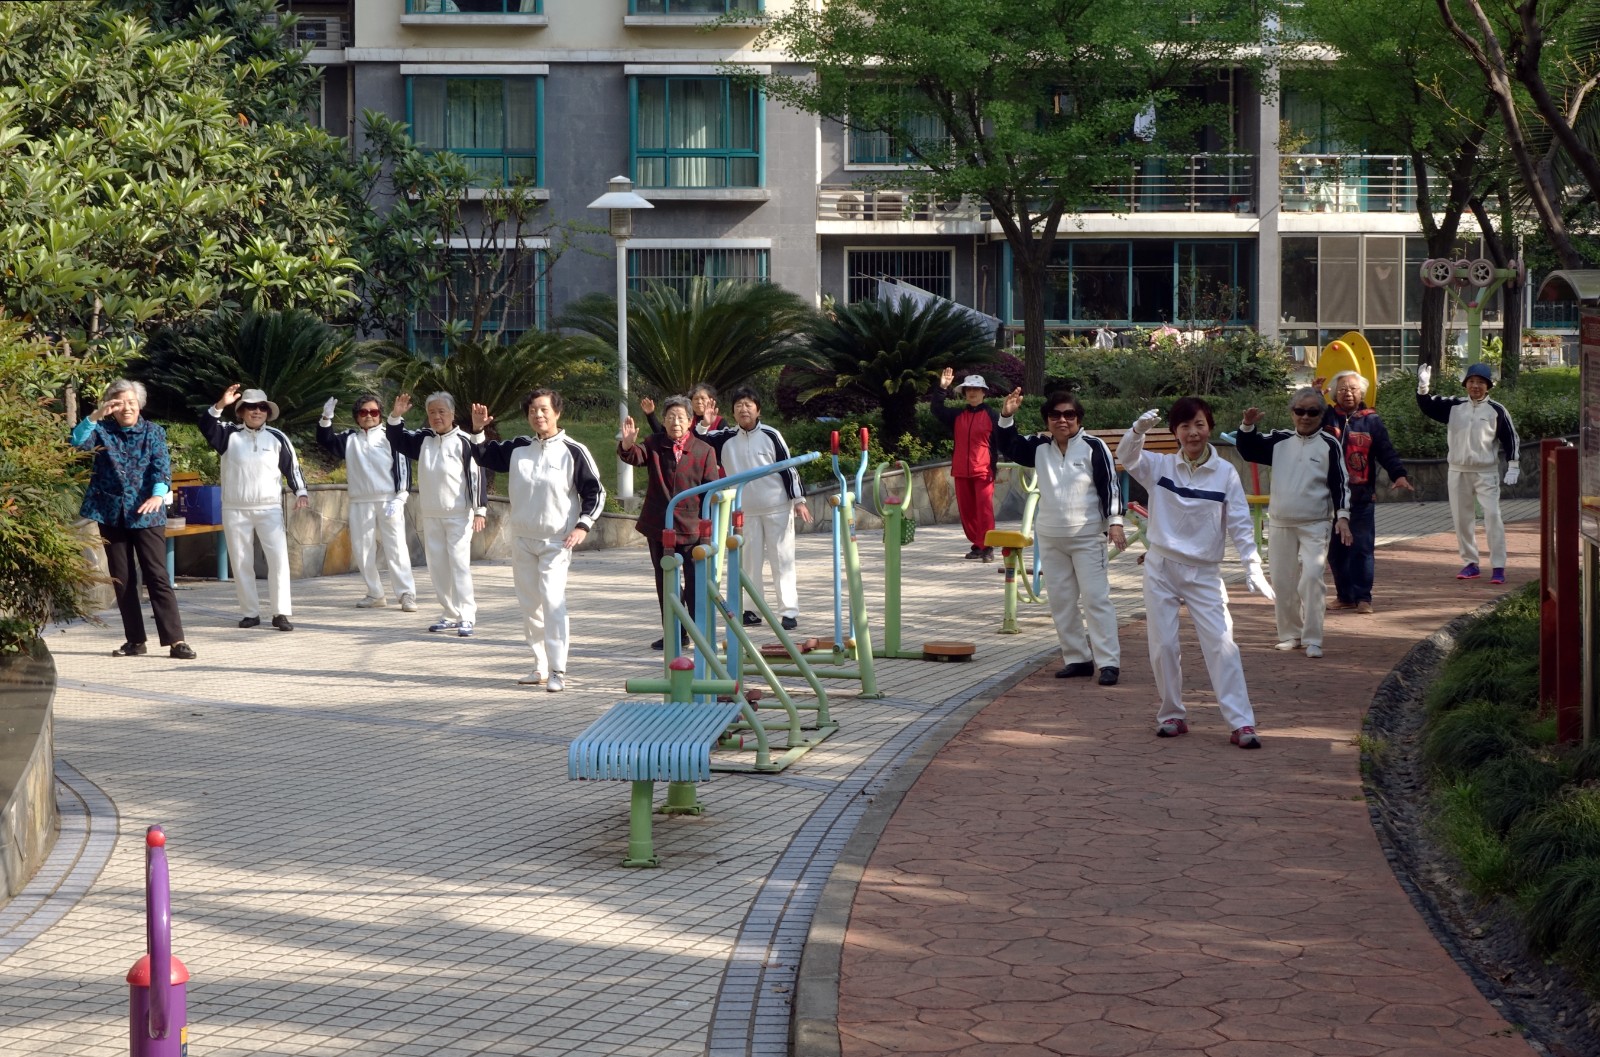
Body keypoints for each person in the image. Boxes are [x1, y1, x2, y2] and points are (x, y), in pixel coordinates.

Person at [1118, 398, 1274, 749]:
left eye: (1200, 425)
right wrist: (1137, 431)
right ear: (1174, 432)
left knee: (1222, 643)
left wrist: (1252, 565)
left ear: (1209, 427)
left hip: (1204, 572)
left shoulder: (1225, 473)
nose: (1193, 433)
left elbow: (1239, 524)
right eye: (1185, 426)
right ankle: (1171, 714)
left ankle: (1241, 722)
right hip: (1161, 567)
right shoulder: (1159, 466)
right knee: (1163, 645)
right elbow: (1127, 456)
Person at [470, 391, 605, 692]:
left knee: (553, 601)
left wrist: (583, 525)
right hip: (523, 539)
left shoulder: (573, 451)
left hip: (557, 541)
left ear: (557, 413)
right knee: (530, 604)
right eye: (532, 410)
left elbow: (595, 492)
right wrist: (478, 429)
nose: (538, 415)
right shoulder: (519, 447)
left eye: (544, 409)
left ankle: (558, 670)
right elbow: (483, 455)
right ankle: (540, 665)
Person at [994, 390, 1125, 685]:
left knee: (1096, 599)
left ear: (1078, 418)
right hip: (1051, 537)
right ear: (1047, 420)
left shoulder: (1094, 446)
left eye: (1069, 415)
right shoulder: (1039, 446)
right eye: (1055, 415)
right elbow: (1009, 446)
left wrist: (1115, 522)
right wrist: (1006, 416)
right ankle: (1077, 658)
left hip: (1088, 536)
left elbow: (1110, 485)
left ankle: (1108, 663)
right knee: (1061, 601)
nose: (1062, 420)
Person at [71, 379, 196, 659]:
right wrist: (96, 415)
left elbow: (161, 468)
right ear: (111, 407)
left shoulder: (153, 432)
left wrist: (158, 495)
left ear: (140, 404)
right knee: (123, 578)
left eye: (131, 402)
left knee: (157, 575)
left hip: (147, 514)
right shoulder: (102, 430)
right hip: (111, 513)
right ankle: (135, 640)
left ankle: (176, 641)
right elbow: (77, 443)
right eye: (120, 403)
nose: (127, 408)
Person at [1237, 388, 1353, 659]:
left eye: (1312, 412)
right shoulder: (1280, 440)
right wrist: (1248, 425)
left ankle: (1313, 638)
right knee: (1283, 581)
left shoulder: (1329, 444)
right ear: (1292, 413)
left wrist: (1343, 517)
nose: (1305, 417)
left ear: (1321, 415)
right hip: (1281, 522)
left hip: (1316, 523)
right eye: (1300, 411)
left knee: (1312, 578)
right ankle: (1290, 634)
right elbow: (1249, 449)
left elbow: (1340, 483)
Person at [697, 386, 812, 631]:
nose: (743, 409)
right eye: (738, 405)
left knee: (782, 560)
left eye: (748, 405)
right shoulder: (725, 437)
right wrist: (705, 423)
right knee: (749, 563)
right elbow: (698, 443)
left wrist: (799, 500)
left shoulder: (771, 435)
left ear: (758, 410)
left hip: (777, 507)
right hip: (745, 511)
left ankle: (788, 612)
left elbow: (788, 468)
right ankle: (751, 610)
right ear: (733, 412)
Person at [199, 385, 309, 631]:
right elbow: (206, 426)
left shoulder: (277, 437)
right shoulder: (228, 434)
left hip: (269, 508)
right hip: (234, 509)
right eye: (251, 407)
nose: (257, 411)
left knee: (278, 560)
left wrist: (300, 491)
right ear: (241, 412)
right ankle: (250, 613)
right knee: (241, 562)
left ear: (268, 412)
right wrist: (221, 404)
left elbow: (292, 467)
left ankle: (281, 613)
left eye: (262, 407)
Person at [620, 395, 721, 651]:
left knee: (695, 582)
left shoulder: (704, 450)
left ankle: (700, 633)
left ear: (690, 421)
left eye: (680, 417)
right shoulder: (654, 443)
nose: (675, 422)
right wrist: (627, 444)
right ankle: (675, 633)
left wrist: (707, 529)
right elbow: (635, 456)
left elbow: (711, 491)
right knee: (666, 581)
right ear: (663, 421)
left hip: (692, 528)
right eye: (670, 417)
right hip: (659, 526)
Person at [386, 392, 487, 637]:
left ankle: (467, 615)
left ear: (452, 414)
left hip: (459, 515)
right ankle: (449, 613)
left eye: (442, 411)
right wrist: (395, 416)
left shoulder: (464, 441)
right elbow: (397, 440)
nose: (437, 417)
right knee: (438, 566)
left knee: (459, 564)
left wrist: (479, 510)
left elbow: (476, 475)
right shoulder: (424, 439)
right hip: (431, 514)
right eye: (432, 412)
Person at [1417, 362, 1520, 584]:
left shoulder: (1497, 410)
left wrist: (1513, 464)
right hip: (1458, 470)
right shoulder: (1454, 406)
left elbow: (1510, 437)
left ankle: (1498, 566)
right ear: (1465, 384)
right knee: (1462, 519)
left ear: (1488, 386)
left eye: (1481, 382)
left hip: (1486, 472)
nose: (1475, 386)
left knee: (1493, 516)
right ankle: (1470, 563)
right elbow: (1428, 406)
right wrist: (1423, 387)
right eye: (1472, 381)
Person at [1319, 370, 1412, 614]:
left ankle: (1363, 598)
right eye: (1342, 389)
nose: (1347, 393)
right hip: (1330, 497)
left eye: (1353, 389)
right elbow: (1305, 420)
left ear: (1361, 393)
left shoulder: (1371, 420)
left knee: (1361, 548)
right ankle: (1345, 596)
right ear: (1335, 394)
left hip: (1361, 496)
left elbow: (1386, 451)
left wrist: (1399, 475)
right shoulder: (1327, 416)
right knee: (1336, 552)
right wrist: (1315, 394)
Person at [317, 393, 418, 612]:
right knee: (363, 550)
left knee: (396, 548)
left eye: (373, 412)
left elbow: (402, 465)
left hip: (388, 500)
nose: (369, 416)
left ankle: (406, 594)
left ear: (380, 414)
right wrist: (326, 418)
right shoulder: (350, 439)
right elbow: (326, 441)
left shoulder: (390, 436)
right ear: (357, 416)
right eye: (363, 412)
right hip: (360, 501)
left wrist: (401, 496)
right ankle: (375, 593)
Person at [930, 367, 1016, 561]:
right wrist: (942, 388)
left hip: (983, 470)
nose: (972, 392)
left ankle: (988, 547)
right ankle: (978, 545)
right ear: (964, 393)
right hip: (961, 471)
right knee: (967, 512)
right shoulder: (957, 416)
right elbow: (936, 409)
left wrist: (1011, 457)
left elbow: (1004, 438)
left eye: (976, 389)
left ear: (984, 392)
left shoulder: (993, 416)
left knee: (984, 510)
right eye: (968, 389)